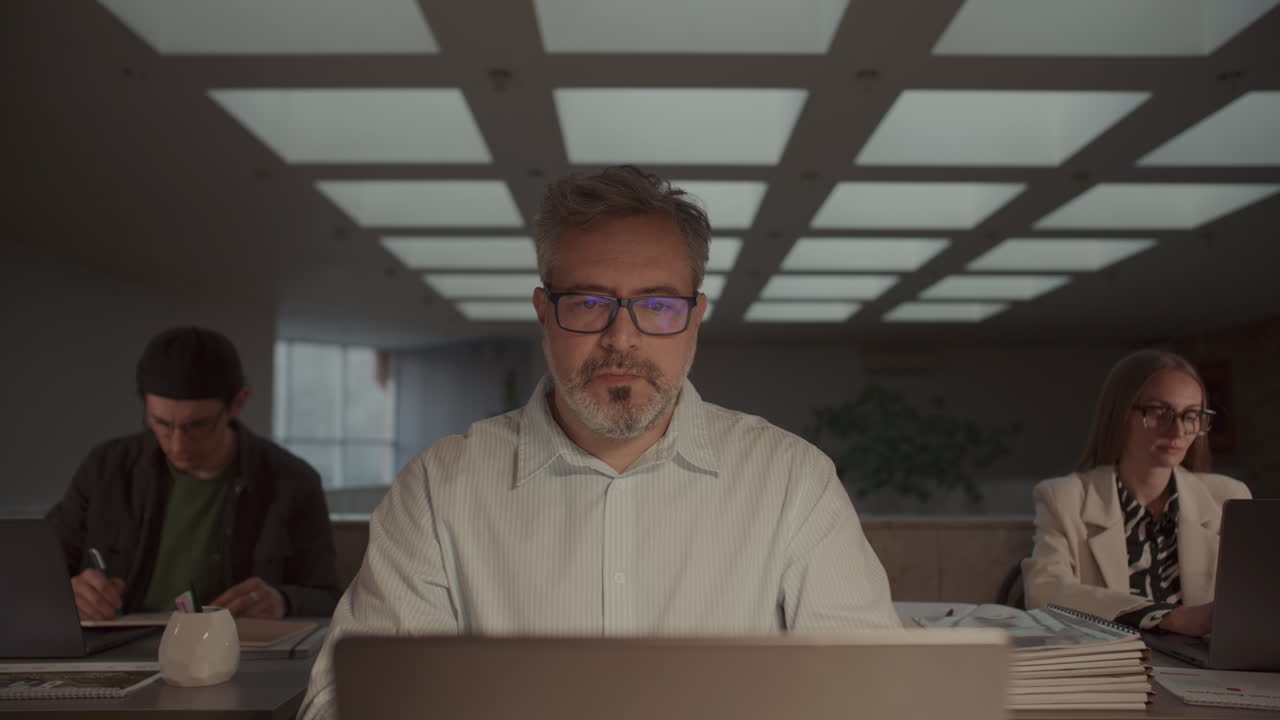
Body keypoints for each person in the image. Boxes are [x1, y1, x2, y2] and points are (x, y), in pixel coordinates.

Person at [297, 166, 898, 720]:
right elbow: (344, 703)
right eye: (589, 302)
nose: (621, 338)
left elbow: (874, 696)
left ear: (694, 318)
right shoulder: (438, 488)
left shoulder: (792, 479)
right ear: (544, 312)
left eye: (657, 305)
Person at [46, 326, 341, 620]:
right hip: (118, 641)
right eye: (161, 423)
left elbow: (328, 598)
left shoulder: (293, 481)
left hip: (232, 646)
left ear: (238, 403)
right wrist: (68, 592)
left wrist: (283, 601)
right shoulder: (105, 468)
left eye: (197, 425)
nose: (177, 445)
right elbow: (37, 568)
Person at [1022, 349, 1251, 636]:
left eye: (1191, 415)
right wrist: (1167, 617)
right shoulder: (1064, 497)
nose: (1178, 430)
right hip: (1110, 659)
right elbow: (1043, 591)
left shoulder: (1228, 497)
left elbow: (1254, 595)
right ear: (1120, 415)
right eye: (1159, 412)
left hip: (1207, 662)